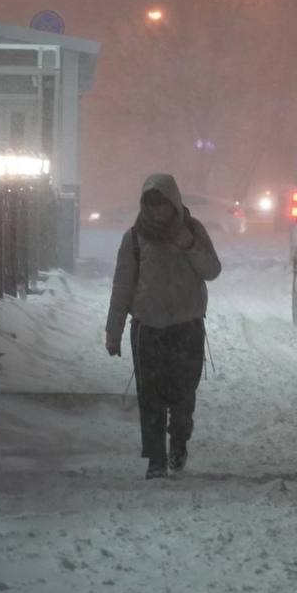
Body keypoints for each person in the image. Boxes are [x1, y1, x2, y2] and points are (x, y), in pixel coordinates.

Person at [105, 174, 222, 479]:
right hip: (148, 329)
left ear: (174, 202)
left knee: (183, 395)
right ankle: (156, 459)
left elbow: (212, 270)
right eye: (152, 205)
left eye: (163, 204)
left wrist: (190, 245)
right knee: (151, 397)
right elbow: (122, 287)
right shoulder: (134, 238)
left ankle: (179, 441)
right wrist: (113, 331)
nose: (158, 211)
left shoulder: (192, 230)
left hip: (187, 327)